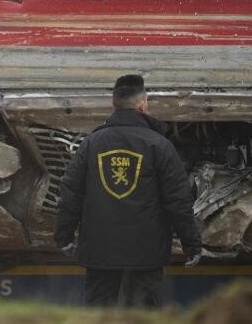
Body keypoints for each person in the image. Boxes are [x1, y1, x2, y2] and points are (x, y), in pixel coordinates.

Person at [54, 74, 202, 307]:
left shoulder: (91, 144)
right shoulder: (160, 145)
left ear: (113, 104)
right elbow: (178, 201)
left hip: (99, 250)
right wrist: (191, 245)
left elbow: (70, 194)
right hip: (146, 252)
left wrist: (63, 236)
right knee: (141, 316)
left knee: (99, 316)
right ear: (143, 104)